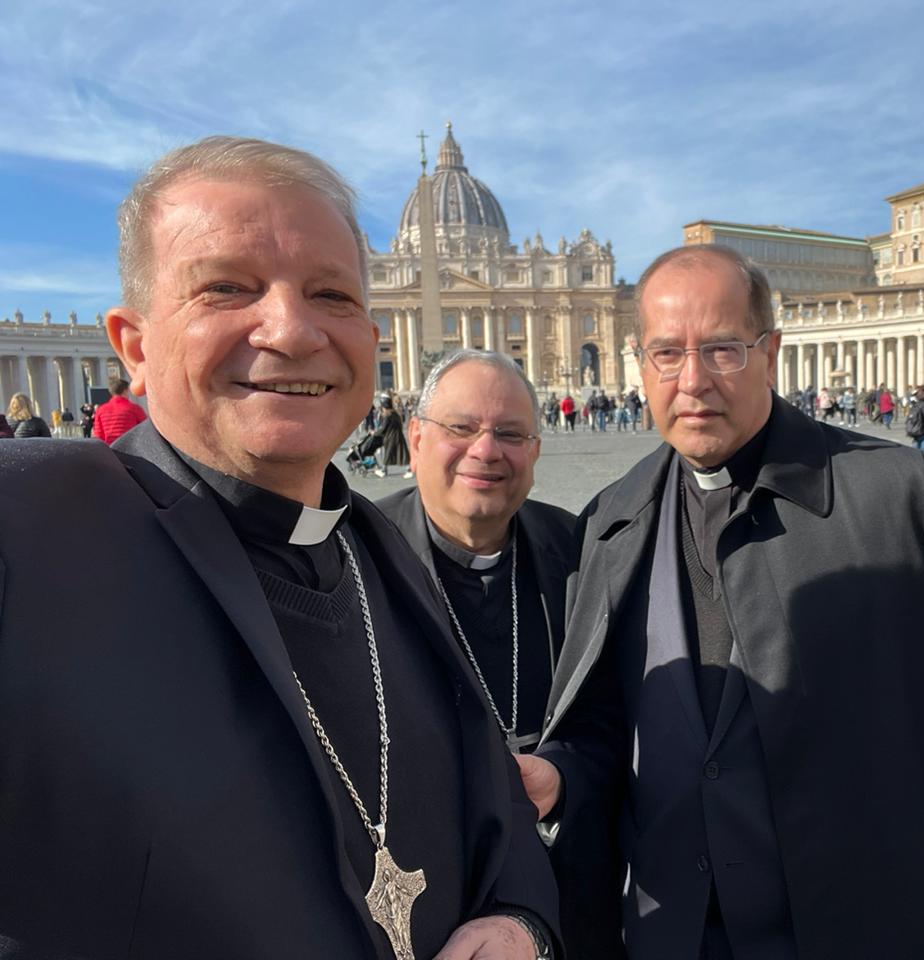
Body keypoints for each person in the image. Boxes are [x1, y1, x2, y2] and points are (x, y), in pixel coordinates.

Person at [0, 136, 556, 960]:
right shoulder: (32, 523)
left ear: (371, 339)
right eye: (227, 287)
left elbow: (498, 815)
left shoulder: (384, 551)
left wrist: (522, 925)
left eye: (330, 294)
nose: (292, 331)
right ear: (135, 345)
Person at [517, 244, 924, 959]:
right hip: (675, 929)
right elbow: (606, 727)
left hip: (858, 921)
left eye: (723, 349)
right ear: (639, 365)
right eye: (667, 353)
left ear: (770, 352)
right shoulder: (611, 520)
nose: (693, 380)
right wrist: (558, 774)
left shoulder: (895, 493)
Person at [377, 348, 615, 960]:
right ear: (417, 437)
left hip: (573, 891)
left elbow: (625, 716)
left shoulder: (582, 552)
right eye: (461, 428)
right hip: (428, 899)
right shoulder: (354, 562)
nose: (486, 451)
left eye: (510, 433)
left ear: (535, 450)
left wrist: (562, 773)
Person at [92, 376, 149, 444]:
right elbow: (146, 430)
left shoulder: (100, 410)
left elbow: (99, 436)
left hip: (110, 449)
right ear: (125, 391)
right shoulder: (134, 409)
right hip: (131, 448)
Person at [370, 395, 410, 478]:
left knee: (388, 454)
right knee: (401, 453)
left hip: (390, 437)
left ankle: (384, 470)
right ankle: (408, 468)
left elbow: (383, 428)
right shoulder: (396, 414)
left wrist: (374, 433)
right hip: (398, 436)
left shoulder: (387, 416)